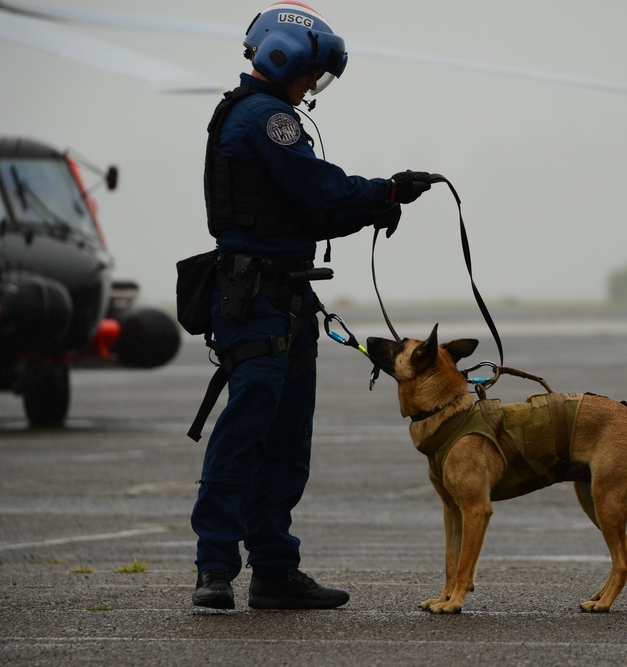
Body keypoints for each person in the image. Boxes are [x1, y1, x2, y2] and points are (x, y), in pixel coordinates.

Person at [190, 1, 432, 610]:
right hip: (257, 300)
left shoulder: (260, 116)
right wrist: (387, 191)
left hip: (287, 297)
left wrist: (377, 202)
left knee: (288, 438)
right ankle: (214, 569)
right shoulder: (265, 119)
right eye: (311, 71)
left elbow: (315, 211)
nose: (310, 86)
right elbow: (320, 190)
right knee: (246, 432)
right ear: (287, 56)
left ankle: (273, 571)